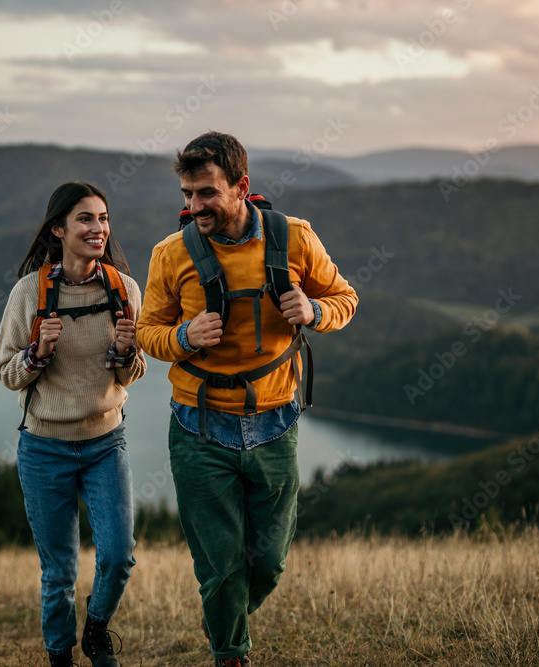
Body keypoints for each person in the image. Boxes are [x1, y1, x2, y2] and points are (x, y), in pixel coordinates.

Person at [136, 132, 358, 666]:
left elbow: (344, 297)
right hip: (198, 425)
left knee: (269, 563)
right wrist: (185, 337)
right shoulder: (170, 256)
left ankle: (225, 609)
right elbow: (147, 332)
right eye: (189, 193)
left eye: (207, 193)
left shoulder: (296, 239)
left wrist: (314, 313)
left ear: (242, 187)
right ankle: (229, 650)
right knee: (220, 562)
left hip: (276, 421)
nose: (195, 206)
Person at [0, 182, 146, 667]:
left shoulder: (125, 290)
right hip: (44, 448)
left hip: (106, 442)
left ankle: (96, 629)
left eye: (103, 219)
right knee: (58, 572)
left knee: (119, 555)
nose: (98, 228)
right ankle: (61, 655)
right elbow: (5, 371)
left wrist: (126, 352)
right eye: (85, 219)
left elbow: (132, 373)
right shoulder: (30, 293)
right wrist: (36, 354)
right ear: (58, 229)